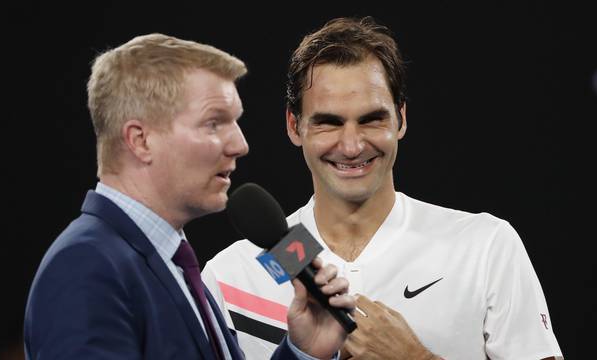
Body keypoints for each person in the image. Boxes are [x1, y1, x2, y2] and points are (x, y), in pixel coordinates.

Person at [202, 17, 563, 360]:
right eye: (329, 123)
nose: (351, 145)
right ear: (294, 127)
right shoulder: (232, 276)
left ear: (401, 119)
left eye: (371, 119)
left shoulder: (485, 247)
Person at [23, 33, 355, 360]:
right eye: (214, 123)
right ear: (140, 140)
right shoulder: (87, 267)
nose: (240, 144)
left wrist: (302, 352)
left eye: (235, 121)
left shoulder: (171, 263)